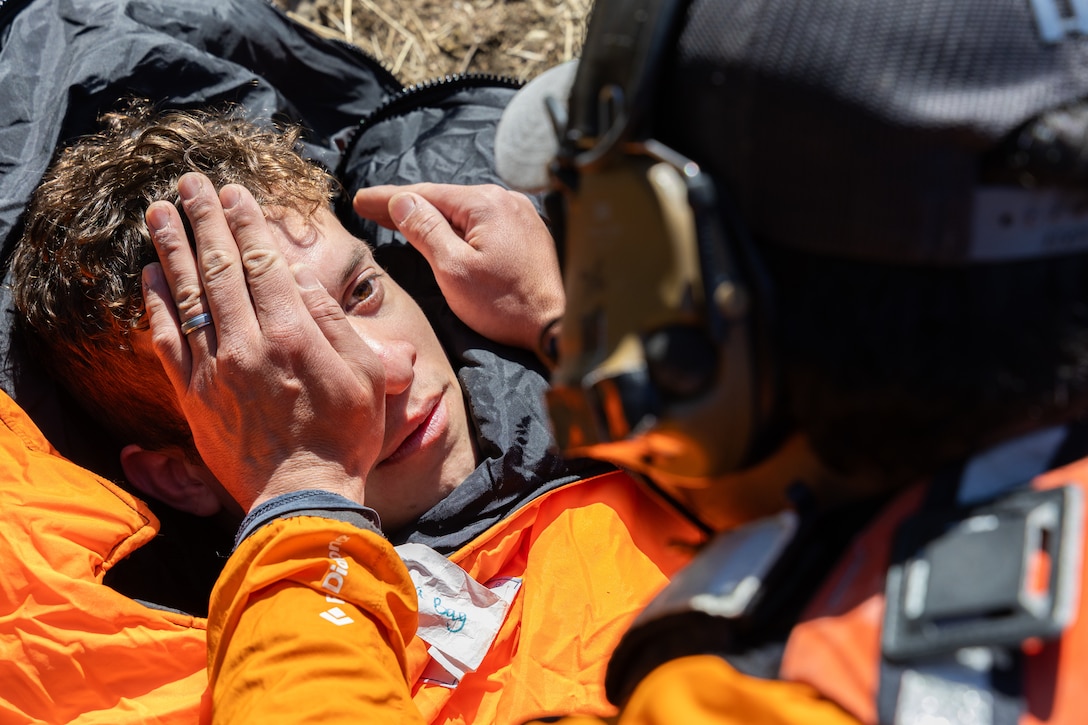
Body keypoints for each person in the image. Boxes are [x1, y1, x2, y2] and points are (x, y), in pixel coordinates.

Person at [167, 0, 1088, 722]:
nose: (377, 372)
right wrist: (569, 327)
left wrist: (303, 490)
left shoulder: (778, 696)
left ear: (671, 260)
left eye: (593, 208)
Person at [3, 104, 706, 723]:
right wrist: (306, 492)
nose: (387, 369)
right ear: (178, 475)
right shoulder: (180, 683)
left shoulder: (626, 394)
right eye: (285, 372)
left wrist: (567, 325)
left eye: (362, 290)